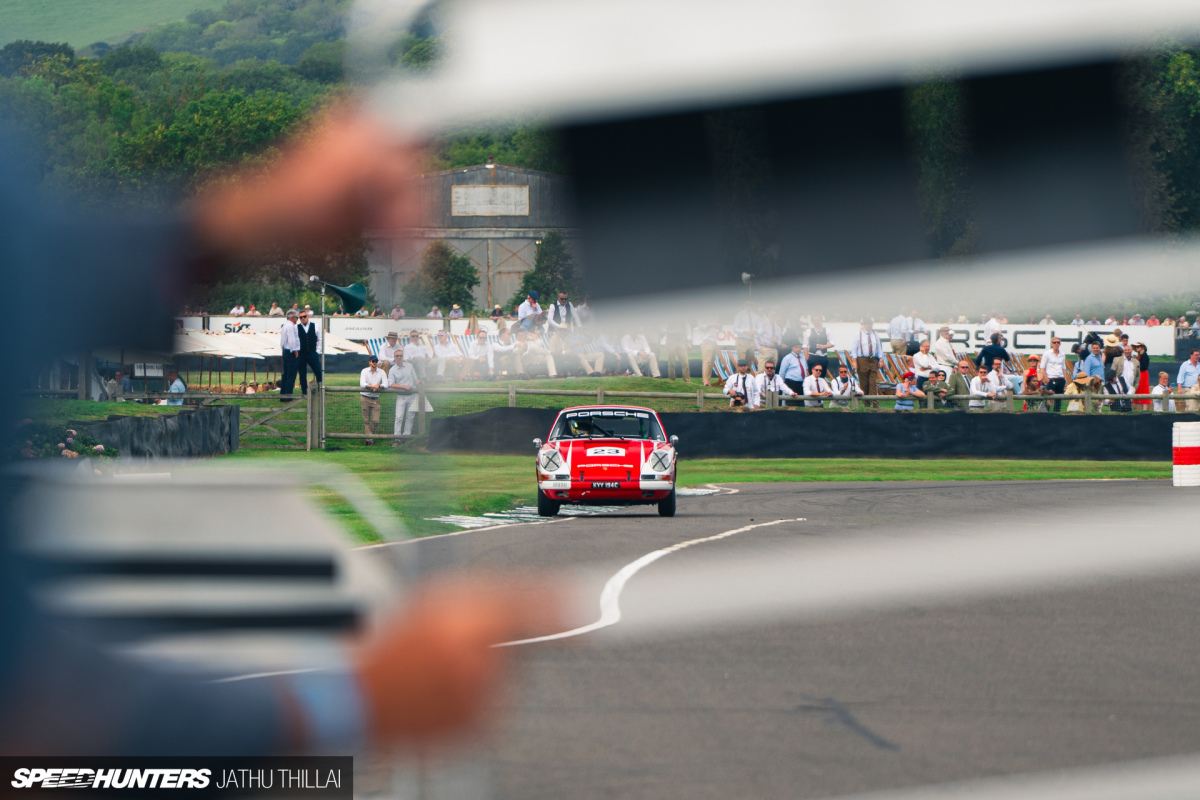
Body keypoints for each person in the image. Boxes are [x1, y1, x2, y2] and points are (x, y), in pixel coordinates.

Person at [388, 350, 430, 440]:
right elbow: (391, 384)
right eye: (397, 356)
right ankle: (397, 439)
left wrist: (420, 383)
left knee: (410, 417)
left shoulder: (409, 366)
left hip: (412, 396)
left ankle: (406, 438)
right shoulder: (392, 370)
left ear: (403, 357)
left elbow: (415, 378)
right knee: (399, 417)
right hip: (401, 396)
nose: (399, 357)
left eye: (401, 356)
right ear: (394, 357)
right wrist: (404, 387)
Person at [849, 319, 883, 406]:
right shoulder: (858, 334)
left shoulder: (875, 334)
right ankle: (866, 402)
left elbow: (879, 348)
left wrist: (881, 359)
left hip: (873, 359)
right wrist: (854, 361)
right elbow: (854, 348)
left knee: (873, 381)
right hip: (862, 359)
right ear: (863, 325)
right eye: (867, 324)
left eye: (870, 324)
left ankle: (875, 402)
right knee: (864, 382)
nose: (869, 326)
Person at [295, 309, 323, 394]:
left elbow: (320, 339)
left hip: (312, 353)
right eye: (301, 317)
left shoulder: (315, 326)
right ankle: (304, 391)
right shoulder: (297, 327)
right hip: (302, 354)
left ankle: (320, 389)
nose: (303, 318)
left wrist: (317, 351)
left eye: (304, 316)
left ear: (308, 317)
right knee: (302, 374)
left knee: (318, 371)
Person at [359, 355, 385, 445]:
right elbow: (362, 383)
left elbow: (386, 383)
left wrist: (379, 386)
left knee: (376, 421)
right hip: (365, 398)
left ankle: (369, 437)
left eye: (376, 361)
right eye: (373, 361)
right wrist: (373, 386)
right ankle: (370, 440)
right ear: (369, 362)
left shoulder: (381, 372)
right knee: (366, 420)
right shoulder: (364, 371)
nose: (375, 363)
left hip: (375, 399)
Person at [279, 308, 302, 399]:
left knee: (285, 374)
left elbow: (282, 341)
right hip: (291, 351)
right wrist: (295, 350)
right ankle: (288, 396)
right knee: (291, 375)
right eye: (296, 317)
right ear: (293, 317)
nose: (297, 319)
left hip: (285, 350)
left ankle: (282, 395)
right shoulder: (291, 326)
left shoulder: (284, 325)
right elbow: (292, 339)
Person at [662, 317, 691, 381]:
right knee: (671, 363)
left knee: (685, 362)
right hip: (671, 341)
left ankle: (687, 381)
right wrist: (673, 332)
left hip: (681, 341)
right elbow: (663, 329)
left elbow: (688, 329)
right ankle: (672, 380)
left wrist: (689, 342)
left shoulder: (684, 318)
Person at [732, 301, 759, 368]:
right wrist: (744, 332)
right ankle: (739, 378)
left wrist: (756, 332)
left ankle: (747, 378)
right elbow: (735, 328)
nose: (749, 306)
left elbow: (759, 328)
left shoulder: (755, 315)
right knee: (741, 364)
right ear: (744, 305)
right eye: (747, 304)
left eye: (751, 304)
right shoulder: (739, 314)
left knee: (749, 364)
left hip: (751, 341)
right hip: (742, 340)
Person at [695, 319, 718, 387]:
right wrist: (712, 324)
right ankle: (705, 381)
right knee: (707, 361)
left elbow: (719, 326)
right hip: (706, 340)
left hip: (714, 340)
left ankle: (708, 381)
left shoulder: (714, 316)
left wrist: (718, 324)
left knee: (711, 362)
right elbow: (702, 327)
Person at [1133, 342, 1152, 408]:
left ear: (1142, 347)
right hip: (1140, 374)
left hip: (1143, 374)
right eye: (1136, 347)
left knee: (1143, 390)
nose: (1136, 348)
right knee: (1139, 389)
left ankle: (1144, 408)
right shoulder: (1139, 356)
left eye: (1138, 346)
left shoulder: (1144, 356)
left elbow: (1144, 366)